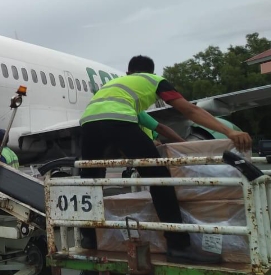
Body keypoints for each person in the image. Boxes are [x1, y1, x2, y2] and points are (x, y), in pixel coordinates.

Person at [78, 55, 251, 264]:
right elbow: (189, 109)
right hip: (118, 120)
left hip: (87, 122)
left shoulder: (113, 84)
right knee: (159, 178)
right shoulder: (154, 81)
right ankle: (178, 246)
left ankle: (89, 238)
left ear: (128, 73)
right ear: (151, 72)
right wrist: (228, 132)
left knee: (90, 180)